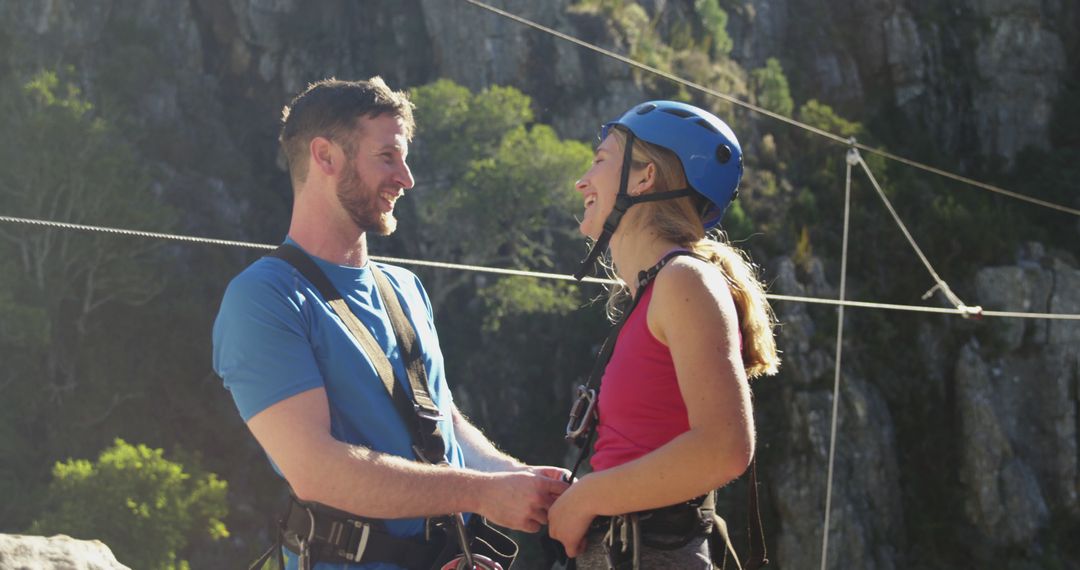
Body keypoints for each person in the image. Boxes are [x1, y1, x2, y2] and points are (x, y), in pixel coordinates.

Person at [212, 77, 568, 570]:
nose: (407, 178)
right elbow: (317, 471)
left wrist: (520, 481)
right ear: (326, 157)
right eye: (387, 157)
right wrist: (483, 494)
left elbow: (443, 423)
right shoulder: (264, 299)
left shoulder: (405, 288)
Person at [547, 101, 780, 568]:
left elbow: (725, 448)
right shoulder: (656, 290)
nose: (582, 181)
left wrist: (587, 497)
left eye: (600, 161)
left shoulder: (683, 281)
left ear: (644, 178)